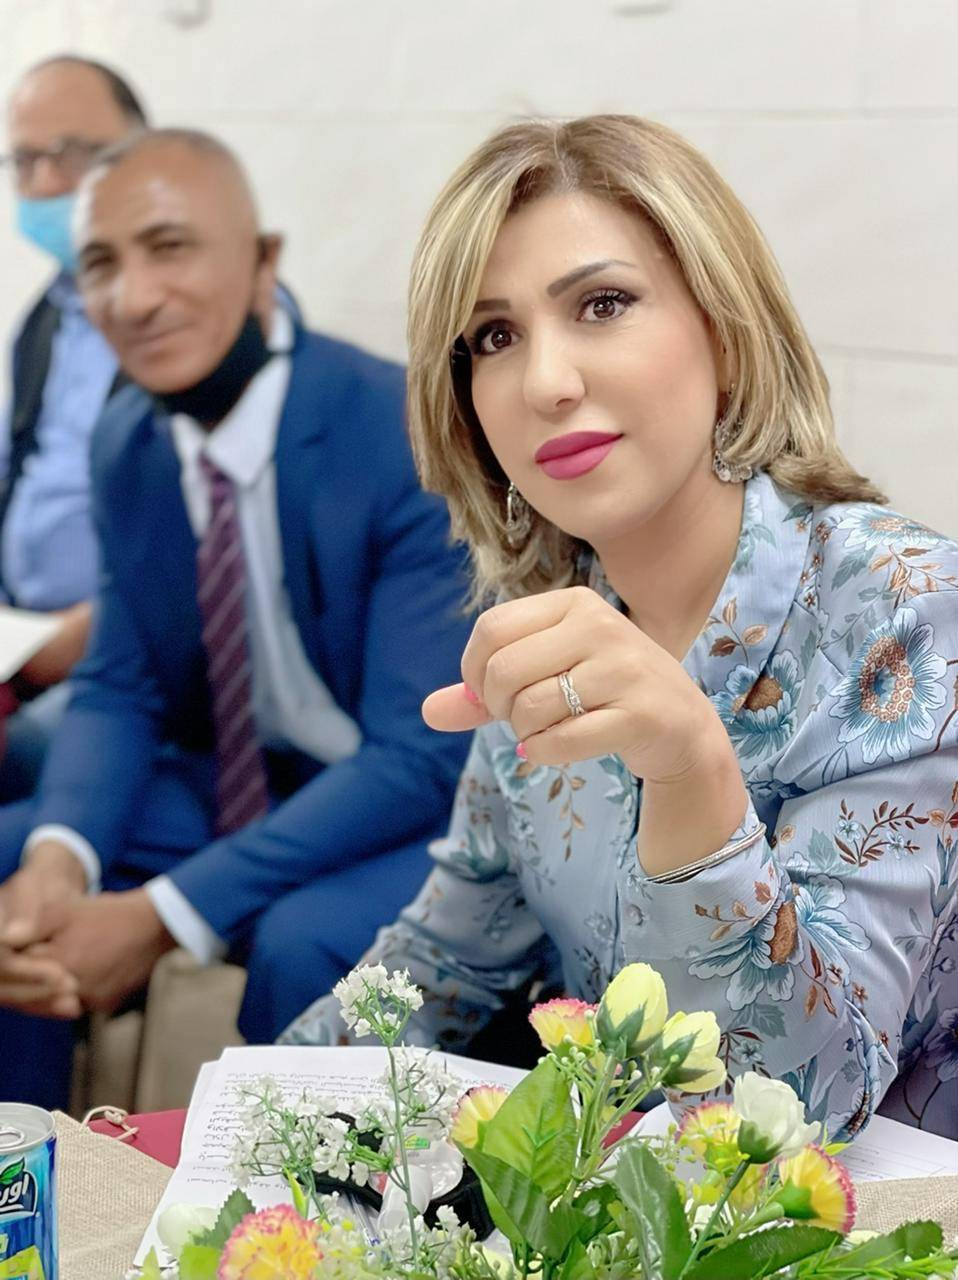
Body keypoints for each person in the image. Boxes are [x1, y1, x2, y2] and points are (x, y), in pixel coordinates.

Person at [283, 115, 958, 1141]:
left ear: (725, 330)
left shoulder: (904, 605)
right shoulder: (553, 623)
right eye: (494, 337)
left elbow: (803, 1108)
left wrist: (690, 769)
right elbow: (445, 963)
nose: (545, 382)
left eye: (602, 305)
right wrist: (241, 1123)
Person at [0, 127, 472, 1109]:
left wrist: (163, 913)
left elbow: (418, 756)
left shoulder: (395, 429)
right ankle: (34, 1166)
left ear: (263, 261)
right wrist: (58, 857)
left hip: (410, 800)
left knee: (306, 940)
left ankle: (281, 1201)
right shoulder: (127, 440)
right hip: (242, 781)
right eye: (100, 264)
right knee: (17, 867)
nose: (134, 296)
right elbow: (120, 685)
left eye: (169, 247)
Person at [0, 56, 148, 800]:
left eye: (75, 153)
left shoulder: (186, 324)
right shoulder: (42, 322)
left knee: (31, 748)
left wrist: (72, 640)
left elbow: (214, 543)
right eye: (27, 161)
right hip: (22, 638)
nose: (51, 181)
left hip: (122, 650)